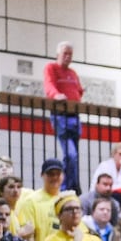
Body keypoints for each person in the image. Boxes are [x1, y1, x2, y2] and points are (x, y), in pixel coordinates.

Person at [43, 41, 84, 191]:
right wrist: (56, 95)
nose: (68, 57)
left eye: (70, 54)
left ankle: (73, 185)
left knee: (74, 155)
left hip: (74, 116)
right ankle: (66, 187)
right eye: (65, 53)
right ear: (58, 54)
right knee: (70, 154)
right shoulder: (51, 68)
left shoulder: (73, 73)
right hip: (61, 115)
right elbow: (49, 85)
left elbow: (79, 91)